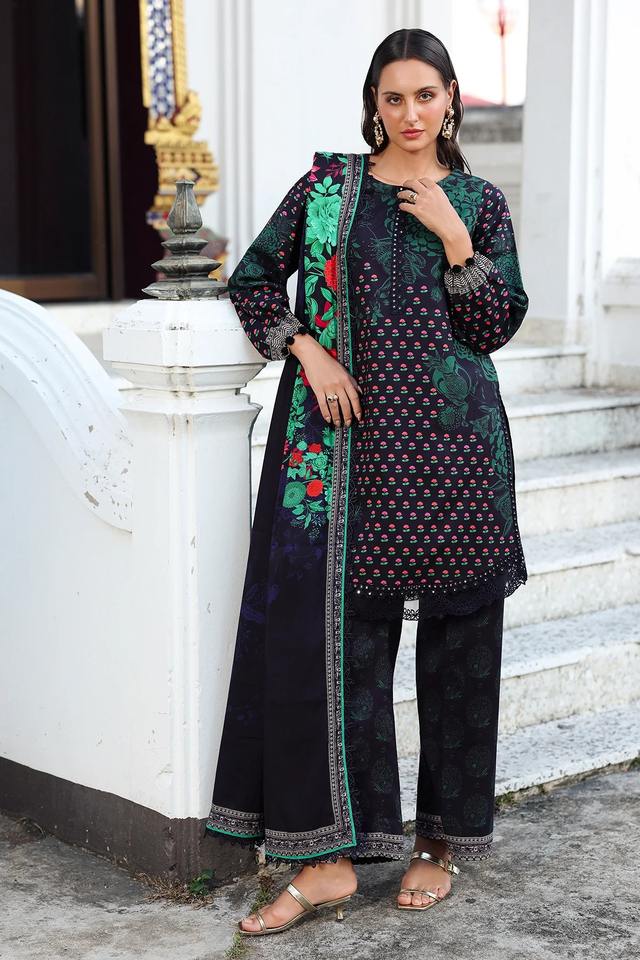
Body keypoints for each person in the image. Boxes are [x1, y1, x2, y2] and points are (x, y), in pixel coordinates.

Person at [204, 27, 529, 936]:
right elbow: (253, 281)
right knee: (343, 656)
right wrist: (308, 351)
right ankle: (333, 860)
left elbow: (495, 327)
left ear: (451, 100)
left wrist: (456, 238)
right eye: (394, 98)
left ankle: (438, 844)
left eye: (426, 95)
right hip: (352, 461)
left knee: (460, 656)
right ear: (373, 106)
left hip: (459, 460)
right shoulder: (327, 190)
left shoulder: (481, 203)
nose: (411, 113)